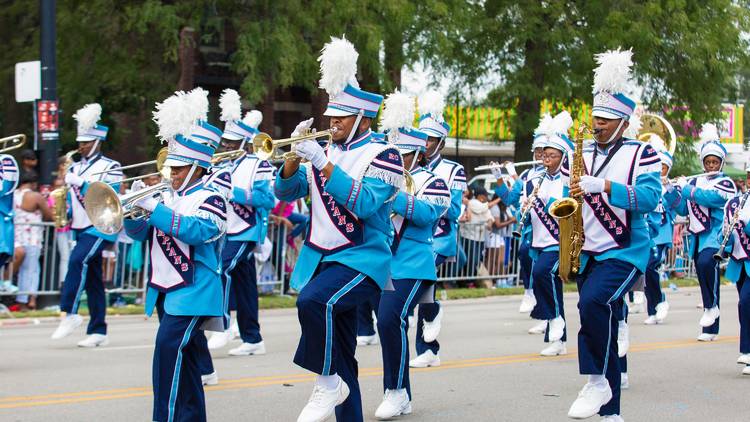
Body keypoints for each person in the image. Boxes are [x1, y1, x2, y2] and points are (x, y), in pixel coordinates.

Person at [274, 36, 402, 422]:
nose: (332, 123)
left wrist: (324, 164)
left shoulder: (386, 156)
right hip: (324, 258)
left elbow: (364, 203)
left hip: (362, 258)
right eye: (330, 117)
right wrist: (295, 158)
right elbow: (285, 190)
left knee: (313, 302)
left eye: (340, 119)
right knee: (343, 352)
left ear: (362, 119)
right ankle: (341, 393)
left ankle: (326, 383)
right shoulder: (322, 150)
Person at [564, 49, 660, 422]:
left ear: (622, 122)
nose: (597, 124)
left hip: (625, 249)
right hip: (587, 249)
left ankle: (597, 381)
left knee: (594, 304)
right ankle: (611, 413)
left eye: (605, 119)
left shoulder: (643, 154)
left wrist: (603, 185)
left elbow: (650, 199)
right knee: (595, 317)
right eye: (595, 117)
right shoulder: (583, 150)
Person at [124, 90, 226, 422]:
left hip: (195, 289)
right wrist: (133, 208)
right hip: (165, 289)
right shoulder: (165, 195)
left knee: (167, 353)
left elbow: (198, 231)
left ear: (198, 167)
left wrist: (155, 209)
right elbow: (136, 234)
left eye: (181, 169)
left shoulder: (211, 196)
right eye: (173, 168)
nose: (174, 174)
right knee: (185, 369)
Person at [373, 91, 450, 419]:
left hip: (415, 263)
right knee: (384, 323)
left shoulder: (433, 181)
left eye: (402, 154)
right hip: (383, 261)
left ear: (417, 154)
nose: (397, 159)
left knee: (391, 318)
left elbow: (429, 213)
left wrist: (395, 194)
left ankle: (397, 391)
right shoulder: (379, 176)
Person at [207, 89, 275, 357]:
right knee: (245, 286)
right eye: (225, 142)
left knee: (221, 269)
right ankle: (252, 338)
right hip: (226, 230)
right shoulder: (219, 166)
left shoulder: (258, 165)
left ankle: (221, 326)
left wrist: (233, 193)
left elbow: (266, 199)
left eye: (232, 143)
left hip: (246, 230)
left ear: (244, 142)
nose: (225, 147)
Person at [51, 103, 123, 347]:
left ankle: (69, 312)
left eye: (85, 142)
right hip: (80, 226)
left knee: (76, 260)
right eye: (79, 141)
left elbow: (110, 196)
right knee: (93, 279)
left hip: (101, 226)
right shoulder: (76, 165)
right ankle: (98, 330)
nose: (80, 146)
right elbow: (72, 197)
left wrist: (80, 183)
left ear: (97, 141)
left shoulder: (110, 166)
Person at [410, 90, 466, 369]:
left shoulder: (454, 170)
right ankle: (429, 350)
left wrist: (428, 203)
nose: (425, 143)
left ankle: (429, 338)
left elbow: (455, 210)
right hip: (412, 236)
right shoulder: (409, 165)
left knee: (423, 280)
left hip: (440, 237)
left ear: (441, 141)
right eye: (422, 137)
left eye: (431, 139)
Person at [670, 123, 735, 341]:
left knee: (708, 264)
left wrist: (688, 189)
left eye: (715, 162)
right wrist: (672, 191)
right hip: (699, 237)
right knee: (704, 275)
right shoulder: (695, 180)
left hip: (717, 234)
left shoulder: (725, 181)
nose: (711, 165)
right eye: (708, 162)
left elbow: (713, 199)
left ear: (721, 163)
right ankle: (710, 325)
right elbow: (682, 208)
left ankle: (711, 308)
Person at [526, 111, 574, 357]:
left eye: (552, 155)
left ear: (563, 157)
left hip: (561, 241)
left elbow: (565, 208)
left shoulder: (568, 180)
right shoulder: (536, 178)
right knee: (547, 281)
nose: (547, 159)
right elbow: (521, 204)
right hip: (540, 240)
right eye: (545, 155)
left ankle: (554, 318)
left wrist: (545, 199)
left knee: (542, 272)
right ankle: (558, 339)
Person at [493, 115, 549, 312]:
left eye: (545, 151)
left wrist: (512, 173)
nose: (541, 154)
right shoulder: (526, 175)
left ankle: (544, 305)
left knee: (544, 267)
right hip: (530, 226)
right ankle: (529, 291)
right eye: (538, 151)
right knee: (525, 253)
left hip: (549, 225)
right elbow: (509, 198)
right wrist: (499, 178)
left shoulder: (552, 173)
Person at [643, 142, 675, 325]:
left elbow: (679, 206)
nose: (660, 170)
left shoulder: (670, 187)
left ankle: (661, 301)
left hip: (662, 235)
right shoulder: (649, 184)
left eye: (663, 167)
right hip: (648, 234)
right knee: (646, 272)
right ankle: (653, 309)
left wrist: (670, 188)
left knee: (651, 267)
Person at [13, 170, 53, 310]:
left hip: (16, 236)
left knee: (23, 270)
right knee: (32, 270)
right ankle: (27, 301)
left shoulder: (13, 194)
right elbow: (49, 215)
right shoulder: (35, 196)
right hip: (32, 237)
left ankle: (22, 299)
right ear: (34, 183)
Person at [723, 182, 750, 376]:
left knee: (746, 302)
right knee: (745, 306)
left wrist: (746, 221)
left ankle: (747, 350)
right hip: (741, 263)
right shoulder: (735, 203)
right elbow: (729, 234)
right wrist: (725, 236)